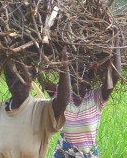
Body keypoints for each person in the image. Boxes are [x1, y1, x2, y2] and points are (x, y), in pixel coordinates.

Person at [40, 28, 121, 158]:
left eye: (82, 74)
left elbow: (115, 76)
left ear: (90, 77)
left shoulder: (96, 98)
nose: (77, 78)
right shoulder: (62, 96)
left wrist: (116, 43)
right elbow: (41, 76)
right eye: (74, 74)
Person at [0, 47, 71, 158]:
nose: (17, 81)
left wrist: (64, 66)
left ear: (32, 77)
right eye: (11, 76)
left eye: (23, 75)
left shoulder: (41, 109)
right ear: (7, 79)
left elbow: (63, 102)